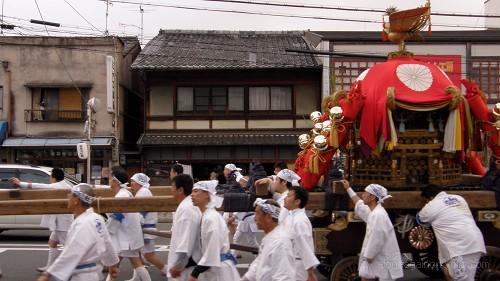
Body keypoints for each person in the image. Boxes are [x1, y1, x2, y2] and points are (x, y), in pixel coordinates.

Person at [36, 184, 119, 281]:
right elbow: (107, 242)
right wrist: (112, 264)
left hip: (82, 276)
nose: (68, 196)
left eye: (70, 194)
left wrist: (48, 274)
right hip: (91, 274)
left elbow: (72, 252)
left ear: (76, 201)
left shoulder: (83, 223)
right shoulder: (97, 218)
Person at [10, 167, 73, 272]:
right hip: (60, 222)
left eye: (50, 176)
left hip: (63, 224)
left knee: (69, 247)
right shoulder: (64, 185)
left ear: (53, 177)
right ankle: (51, 267)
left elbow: (40, 186)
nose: (50, 179)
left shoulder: (57, 186)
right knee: (52, 242)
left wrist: (21, 183)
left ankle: (72, 267)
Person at [417, 185, 486, 281]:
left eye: (425, 201)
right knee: (466, 278)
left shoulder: (432, 205)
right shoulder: (459, 198)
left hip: (458, 249)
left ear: (431, 198)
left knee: (456, 278)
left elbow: (420, 219)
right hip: (475, 242)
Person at [343, 181, 403, 281]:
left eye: (365, 193)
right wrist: (348, 188)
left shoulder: (378, 215)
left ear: (372, 197)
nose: (362, 195)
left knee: (369, 277)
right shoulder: (373, 211)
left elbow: (377, 238)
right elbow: (358, 203)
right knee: (366, 277)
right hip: (376, 257)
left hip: (379, 257)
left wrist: (369, 256)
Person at [105, 168, 151, 281]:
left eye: (111, 178)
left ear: (116, 181)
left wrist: (106, 230)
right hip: (127, 236)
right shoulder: (125, 193)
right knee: (133, 264)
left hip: (126, 238)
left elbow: (118, 216)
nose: (109, 180)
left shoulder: (121, 196)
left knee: (117, 265)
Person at [190, 180, 240, 281]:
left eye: (196, 191)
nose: (192, 195)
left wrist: (195, 273)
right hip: (213, 267)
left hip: (219, 270)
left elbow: (212, 249)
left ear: (207, 195)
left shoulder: (211, 218)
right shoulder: (206, 215)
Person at [241, 198, 295, 281]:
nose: (255, 218)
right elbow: (258, 265)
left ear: (269, 217)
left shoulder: (280, 242)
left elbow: (284, 277)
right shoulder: (269, 238)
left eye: (257, 213)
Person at [128, 173, 167, 280]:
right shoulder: (141, 192)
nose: (131, 183)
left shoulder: (144, 192)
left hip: (146, 228)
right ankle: (137, 276)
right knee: (137, 254)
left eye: (133, 181)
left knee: (148, 255)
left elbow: (142, 210)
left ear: (139, 183)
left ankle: (167, 270)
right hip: (143, 226)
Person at [167, 174, 202, 280]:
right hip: (186, 265)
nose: (171, 189)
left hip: (185, 269)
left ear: (180, 190)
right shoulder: (186, 206)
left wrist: (179, 265)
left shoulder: (187, 209)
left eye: (173, 186)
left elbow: (186, 241)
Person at [282, 186, 319, 281]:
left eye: (288, 196)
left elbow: (305, 246)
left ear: (297, 201)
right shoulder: (291, 216)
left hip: (298, 267)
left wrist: (310, 272)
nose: (285, 198)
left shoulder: (300, 221)